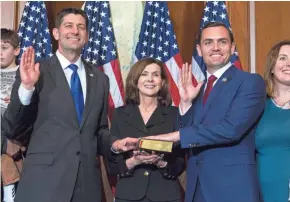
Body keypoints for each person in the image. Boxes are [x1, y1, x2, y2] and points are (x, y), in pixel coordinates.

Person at [1, 8, 138, 202]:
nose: (75, 31)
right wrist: (26, 87)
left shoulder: (100, 79)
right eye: (69, 26)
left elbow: (98, 131)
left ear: (87, 36)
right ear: (56, 33)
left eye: (80, 27)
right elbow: (13, 129)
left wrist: (114, 145)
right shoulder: (36, 71)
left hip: (86, 186)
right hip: (44, 185)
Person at [146, 21, 267, 202]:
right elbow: (188, 141)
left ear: (233, 47)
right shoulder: (199, 89)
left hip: (233, 189)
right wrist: (186, 103)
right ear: (199, 49)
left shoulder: (250, 82)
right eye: (208, 42)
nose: (215, 48)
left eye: (222, 42)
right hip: (197, 189)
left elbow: (231, 129)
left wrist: (177, 135)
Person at [106, 58, 186, 202]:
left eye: (155, 75)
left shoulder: (174, 114)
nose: (150, 79)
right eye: (144, 74)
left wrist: (160, 163)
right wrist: (134, 161)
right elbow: (112, 166)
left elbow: (180, 164)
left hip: (165, 195)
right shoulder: (120, 114)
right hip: (129, 195)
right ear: (135, 80)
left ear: (162, 83)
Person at [255, 40, 290, 202]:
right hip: (259, 192)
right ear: (272, 66)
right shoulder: (256, 105)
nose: (288, 63)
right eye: (282, 58)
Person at [1, 28, 27, 202]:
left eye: (4, 47)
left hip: (12, 144)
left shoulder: (24, 75)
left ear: (16, 50)